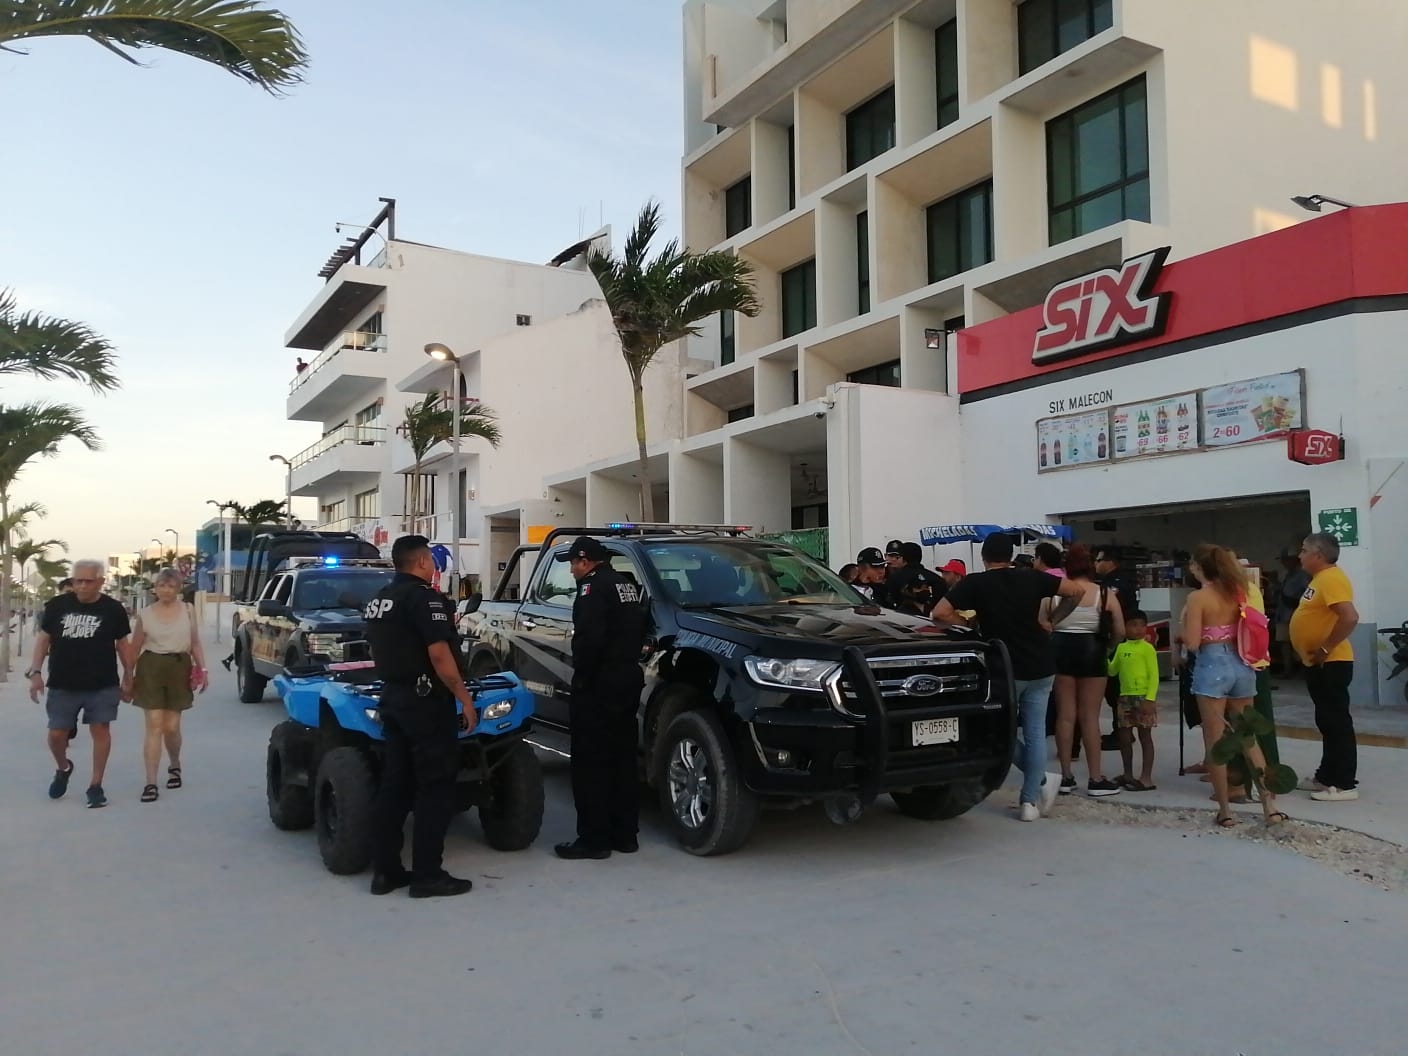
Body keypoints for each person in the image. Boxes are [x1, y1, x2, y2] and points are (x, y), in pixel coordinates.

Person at [932, 533, 1084, 822]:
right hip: (1041, 664)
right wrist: (1052, 620)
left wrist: (965, 624)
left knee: (999, 732)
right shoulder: (1032, 578)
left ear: (984, 557)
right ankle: (1029, 801)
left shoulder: (976, 583)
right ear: (1012, 556)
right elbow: (1075, 591)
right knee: (1036, 732)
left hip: (1004, 668)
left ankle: (1038, 782)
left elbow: (939, 613)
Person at [364, 535, 478, 898]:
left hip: (394, 698)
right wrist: (465, 699)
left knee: (395, 786)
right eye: (431, 559)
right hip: (425, 702)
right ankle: (428, 875)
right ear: (423, 562)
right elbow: (441, 657)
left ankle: (386, 872)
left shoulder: (380, 599)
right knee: (435, 787)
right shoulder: (424, 599)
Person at [555, 536, 649, 859]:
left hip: (600, 683)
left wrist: (581, 678)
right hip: (626, 679)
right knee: (622, 758)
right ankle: (625, 835)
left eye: (572, 563)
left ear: (585, 561)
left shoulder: (592, 589)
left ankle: (594, 840)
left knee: (590, 761)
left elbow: (589, 641)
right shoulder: (625, 584)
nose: (571, 570)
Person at [1183, 543, 1287, 828]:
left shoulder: (1198, 598)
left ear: (1200, 567)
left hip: (1212, 667)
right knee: (1248, 737)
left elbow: (1192, 642)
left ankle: (1226, 810)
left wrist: (1185, 629)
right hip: (1242, 665)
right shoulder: (1237, 591)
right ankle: (1269, 806)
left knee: (1215, 743)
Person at [27, 559, 135, 808]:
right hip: (63, 683)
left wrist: (129, 676)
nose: (82, 586)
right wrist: (35, 673)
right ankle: (64, 767)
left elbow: (123, 645)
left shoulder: (113, 609)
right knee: (56, 734)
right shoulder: (57, 606)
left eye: (88, 581)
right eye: (78, 581)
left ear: (100, 582)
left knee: (101, 732)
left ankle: (95, 786)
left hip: (102, 683)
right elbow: (43, 641)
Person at [1045, 544, 1126, 796]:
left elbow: (1043, 623)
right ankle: (1095, 778)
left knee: (1065, 715)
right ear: (1091, 567)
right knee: (1090, 717)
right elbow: (1120, 631)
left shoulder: (1054, 594)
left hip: (1060, 650)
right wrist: (1108, 648)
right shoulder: (1104, 593)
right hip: (1092, 651)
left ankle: (1066, 776)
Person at [1289, 532, 1360, 802]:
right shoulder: (1320, 580)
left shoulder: (1331, 578)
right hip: (1317, 663)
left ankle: (1343, 784)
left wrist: (1325, 647)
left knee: (1337, 721)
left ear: (1318, 555)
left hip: (1332, 661)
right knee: (1326, 720)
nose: (1300, 555)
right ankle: (1326, 776)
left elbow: (1350, 617)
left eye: (1304, 550)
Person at [128, 567, 207, 802]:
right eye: (162, 585)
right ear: (155, 588)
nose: (166, 590)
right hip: (150, 667)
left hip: (179, 666)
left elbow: (194, 643)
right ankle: (150, 783)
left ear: (178, 589)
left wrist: (202, 669)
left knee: (171, 726)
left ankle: (174, 764)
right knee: (154, 725)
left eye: (171, 586)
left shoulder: (188, 611)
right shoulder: (145, 614)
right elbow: (134, 647)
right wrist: (127, 676)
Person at [1109, 610, 1159, 791]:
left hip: (1143, 696)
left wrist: (1150, 699)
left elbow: (1154, 676)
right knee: (1124, 736)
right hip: (1124, 697)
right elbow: (1112, 671)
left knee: (1145, 736)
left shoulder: (1148, 649)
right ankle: (1127, 774)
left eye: (1142, 625)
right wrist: (1104, 654)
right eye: (1133, 625)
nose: (1138, 629)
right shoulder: (1121, 648)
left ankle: (1146, 777)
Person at [1095, 548, 1139, 749]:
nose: (1096, 564)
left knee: (1115, 690)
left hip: (1117, 641)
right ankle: (1122, 730)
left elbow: (1111, 615)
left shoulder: (1114, 585)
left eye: (1098, 560)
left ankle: (1122, 732)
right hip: (1127, 642)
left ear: (1110, 562)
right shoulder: (1127, 580)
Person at [1275, 550, 1311, 676]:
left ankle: (1301, 669)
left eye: (1286, 560)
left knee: (1297, 644)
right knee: (1284, 644)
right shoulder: (1288, 575)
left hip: (1294, 614)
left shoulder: (1302, 575)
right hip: (1283, 614)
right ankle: (1288, 669)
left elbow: (1308, 593)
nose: (1284, 563)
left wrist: (1295, 601)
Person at [885, 542, 945, 616]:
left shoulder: (894, 578)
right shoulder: (938, 579)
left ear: (903, 558)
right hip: (935, 622)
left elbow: (890, 604)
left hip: (903, 621)